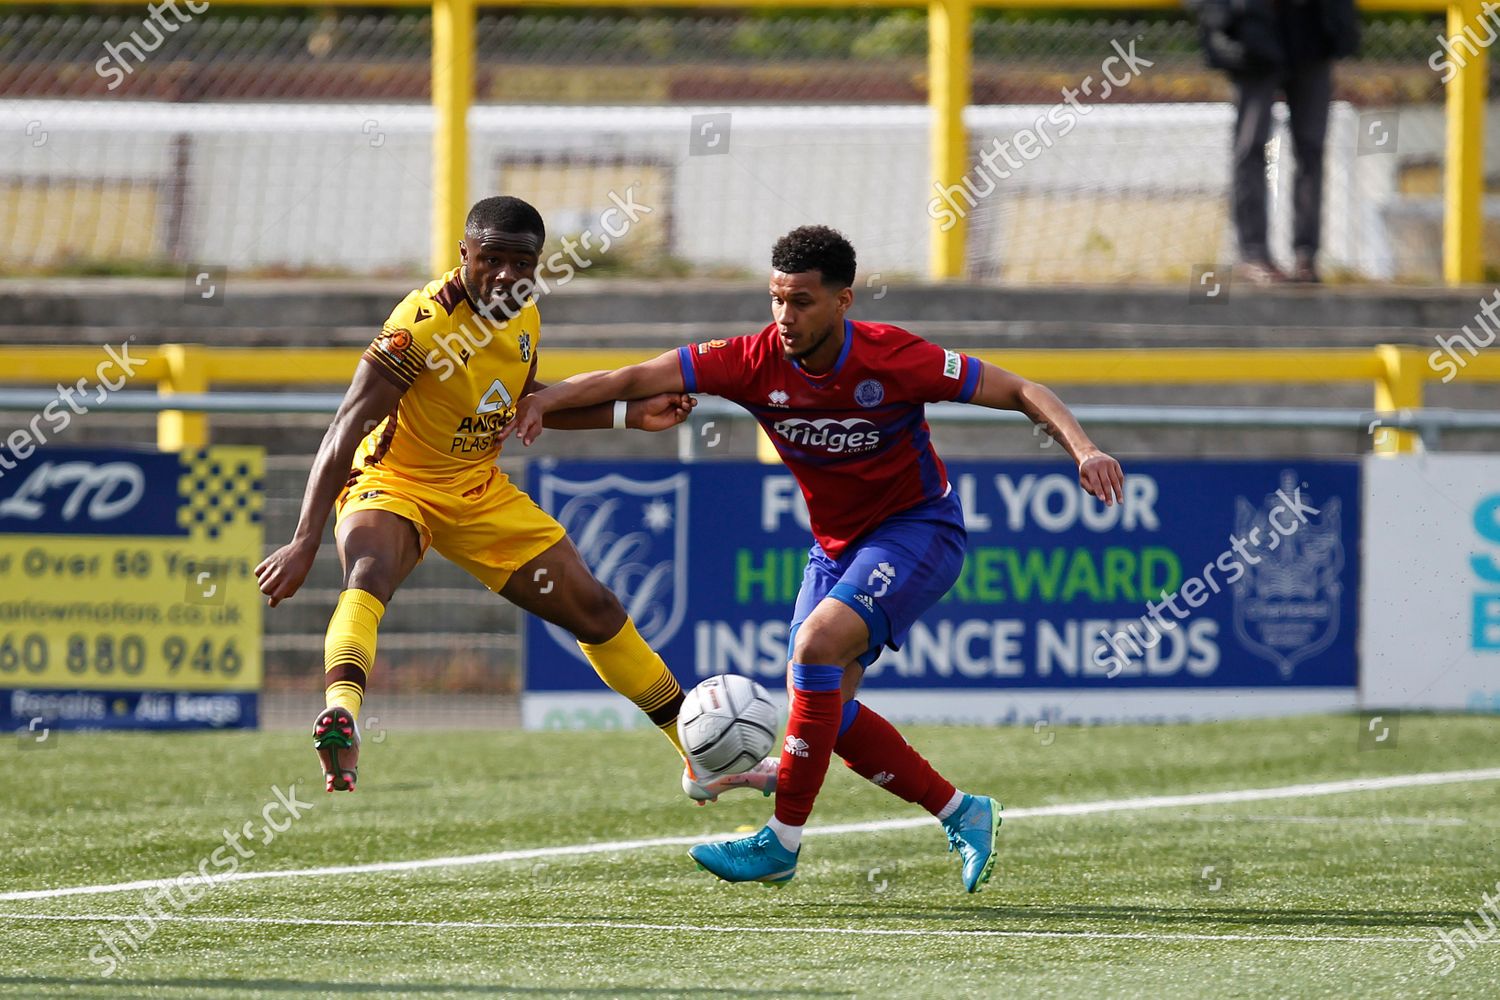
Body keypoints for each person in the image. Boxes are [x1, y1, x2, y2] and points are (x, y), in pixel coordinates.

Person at [504, 225, 1125, 891]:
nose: (784, 317)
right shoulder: (750, 359)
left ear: (842, 301)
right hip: (834, 549)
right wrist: (546, 398)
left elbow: (1023, 390)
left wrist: (1083, 449)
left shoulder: (893, 357)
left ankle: (780, 843)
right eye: (775, 299)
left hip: (918, 531)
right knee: (827, 710)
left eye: (800, 301)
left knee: (814, 651)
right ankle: (964, 812)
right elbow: (633, 376)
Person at [254, 195, 766, 801]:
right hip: (395, 481)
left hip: (476, 489)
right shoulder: (423, 323)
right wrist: (304, 539)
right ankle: (342, 715)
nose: (504, 275)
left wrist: (630, 415)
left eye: (520, 263)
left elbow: (520, 410)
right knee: (369, 574)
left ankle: (697, 760)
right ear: (464, 254)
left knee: (596, 610)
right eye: (489, 260)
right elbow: (346, 424)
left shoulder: (523, 315)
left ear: (537, 264)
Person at [1195, 0, 1360, 284]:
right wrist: (1223, 16)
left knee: (1311, 149)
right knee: (1251, 147)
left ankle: (1306, 256)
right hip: (1254, 34)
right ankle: (1253, 254)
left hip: (1312, 33)